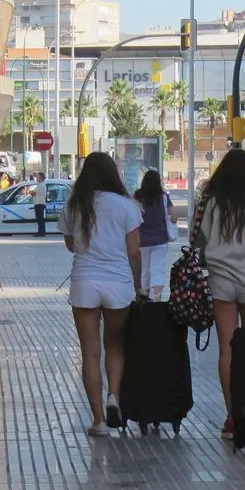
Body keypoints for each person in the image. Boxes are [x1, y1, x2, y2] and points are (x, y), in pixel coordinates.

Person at [56, 152, 144, 437]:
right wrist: (138, 284)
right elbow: (134, 252)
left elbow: (71, 246)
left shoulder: (74, 206)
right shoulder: (126, 206)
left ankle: (98, 421)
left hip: (84, 282)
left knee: (90, 353)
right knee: (115, 346)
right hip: (118, 283)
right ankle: (113, 397)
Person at [193, 148, 245, 440]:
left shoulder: (210, 205)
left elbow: (199, 240)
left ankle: (232, 417)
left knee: (227, 350)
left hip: (220, 282)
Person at [134, 169, 176, 301]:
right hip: (160, 240)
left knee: (144, 270)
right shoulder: (163, 196)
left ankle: (143, 298)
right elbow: (174, 216)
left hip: (142, 240)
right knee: (157, 269)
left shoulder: (137, 197)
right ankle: (157, 300)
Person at [31, 171, 48, 237]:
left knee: (40, 219)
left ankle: (41, 232)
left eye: (37, 177)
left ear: (41, 178)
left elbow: (32, 193)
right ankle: (41, 231)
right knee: (40, 219)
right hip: (40, 204)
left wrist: (31, 192)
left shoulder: (40, 185)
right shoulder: (42, 185)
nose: (36, 178)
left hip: (39, 204)